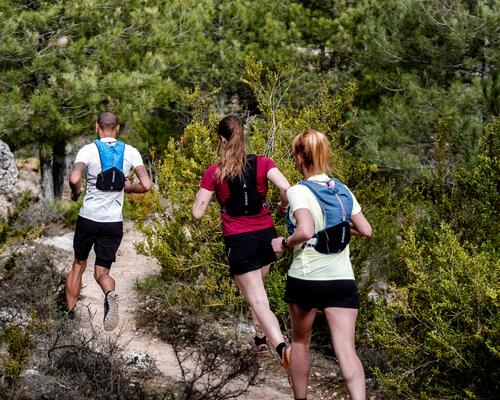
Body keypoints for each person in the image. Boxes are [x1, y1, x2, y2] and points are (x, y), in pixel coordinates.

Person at [271, 129, 372, 400]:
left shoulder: (298, 191)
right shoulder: (342, 189)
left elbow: (304, 230)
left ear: (301, 157)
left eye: (295, 154)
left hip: (307, 277)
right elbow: (365, 230)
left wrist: (284, 242)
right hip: (341, 278)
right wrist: (335, 227)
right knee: (347, 350)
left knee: (301, 343)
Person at [192, 115, 291, 364]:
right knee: (257, 291)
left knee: (257, 298)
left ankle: (281, 347)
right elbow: (286, 187)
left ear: (222, 139)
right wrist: (282, 206)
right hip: (265, 236)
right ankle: (259, 341)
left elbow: (197, 212)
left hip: (239, 239)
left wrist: (210, 201)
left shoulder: (215, 171)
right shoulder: (263, 163)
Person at [66, 111, 151, 331]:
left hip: (89, 218)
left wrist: (75, 192)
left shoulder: (88, 150)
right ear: (117, 128)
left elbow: (74, 178)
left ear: (97, 127)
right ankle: (110, 294)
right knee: (102, 272)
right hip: (113, 222)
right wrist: (128, 187)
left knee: (78, 265)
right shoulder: (131, 152)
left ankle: (69, 315)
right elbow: (147, 185)